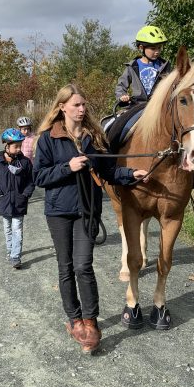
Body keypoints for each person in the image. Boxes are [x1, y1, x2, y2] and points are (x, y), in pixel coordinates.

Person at [33, 84, 148, 354]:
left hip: (87, 210)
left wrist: (131, 175)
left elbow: (109, 172)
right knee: (66, 267)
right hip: (59, 212)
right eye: (76, 105)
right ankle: (75, 320)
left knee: (83, 266)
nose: (82, 109)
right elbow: (39, 177)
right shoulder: (49, 138)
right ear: (62, 107)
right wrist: (67, 167)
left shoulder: (94, 137)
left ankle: (91, 321)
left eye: (84, 105)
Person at [115, 25, 194, 182]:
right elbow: (121, 86)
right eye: (153, 48)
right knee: (116, 127)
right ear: (141, 48)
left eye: (159, 48)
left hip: (159, 107)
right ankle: (108, 161)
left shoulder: (165, 66)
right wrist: (122, 96)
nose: (157, 51)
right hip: (136, 106)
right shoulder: (132, 67)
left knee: (186, 127)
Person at [0, 128, 35, 269]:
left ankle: (15, 256)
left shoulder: (25, 162)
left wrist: (25, 194)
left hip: (19, 202)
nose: (19, 149)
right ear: (6, 145)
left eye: (20, 145)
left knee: (17, 229)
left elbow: (31, 181)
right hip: (4, 202)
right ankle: (10, 250)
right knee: (7, 228)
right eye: (16, 146)